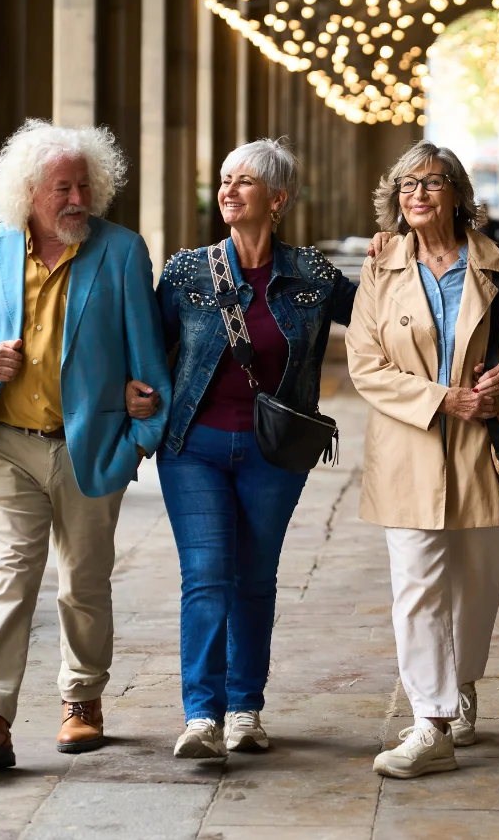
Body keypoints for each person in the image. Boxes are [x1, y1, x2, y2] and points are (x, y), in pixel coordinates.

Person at [0, 119, 171, 769]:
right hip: (9, 444)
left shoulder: (121, 251)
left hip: (89, 446)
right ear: (28, 192)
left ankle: (82, 700)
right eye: (62, 188)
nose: (77, 199)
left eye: (84, 186)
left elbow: (149, 360)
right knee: (8, 577)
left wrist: (138, 440)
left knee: (83, 581)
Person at [138, 139, 356, 759]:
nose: (227, 192)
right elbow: (147, 345)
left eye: (244, 182)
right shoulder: (187, 272)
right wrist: (132, 390)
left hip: (274, 453)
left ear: (278, 199)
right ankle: (201, 717)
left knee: (255, 580)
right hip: (194, 448)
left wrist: (407, 257)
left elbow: (385, 318)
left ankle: (244, 709)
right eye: (225, 180)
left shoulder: (313, 275)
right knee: (207, 576)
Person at [347, 140, 499, 779]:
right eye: (407, 185)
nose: (418, 194)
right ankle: (429, 721)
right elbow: (365, 364)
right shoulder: (380, 267)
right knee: (417, 587)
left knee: (478, 587)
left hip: (485, 448)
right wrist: (441, 398)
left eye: (432, 183)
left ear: (458, 194)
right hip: (408, 446)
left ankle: (460, 683)